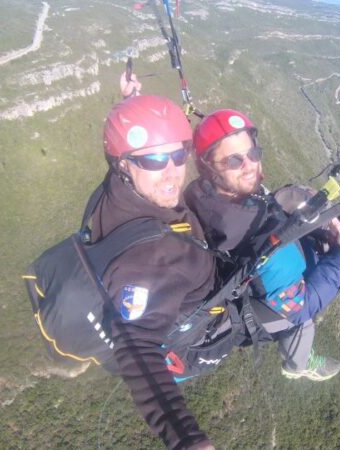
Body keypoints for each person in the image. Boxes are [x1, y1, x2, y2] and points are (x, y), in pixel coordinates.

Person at [184, 109, 340, 381]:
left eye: (253, 154)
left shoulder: (200, 193)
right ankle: (298, 364)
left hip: (253, 273)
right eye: (234, 160)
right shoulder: (268, 248)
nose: (250, 165)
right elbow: (300, 308)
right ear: (208, 167)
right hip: (267, 306)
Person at [93, 94, 216, 449]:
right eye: (154, 159)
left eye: (179, 154)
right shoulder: (149, 261)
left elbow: (124, 149)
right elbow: (138, 347)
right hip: (189, 326)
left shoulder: (115, 191)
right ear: (124, 166)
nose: (172, 172)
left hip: (185, 273)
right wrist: (186, 439)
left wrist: (129, 106)